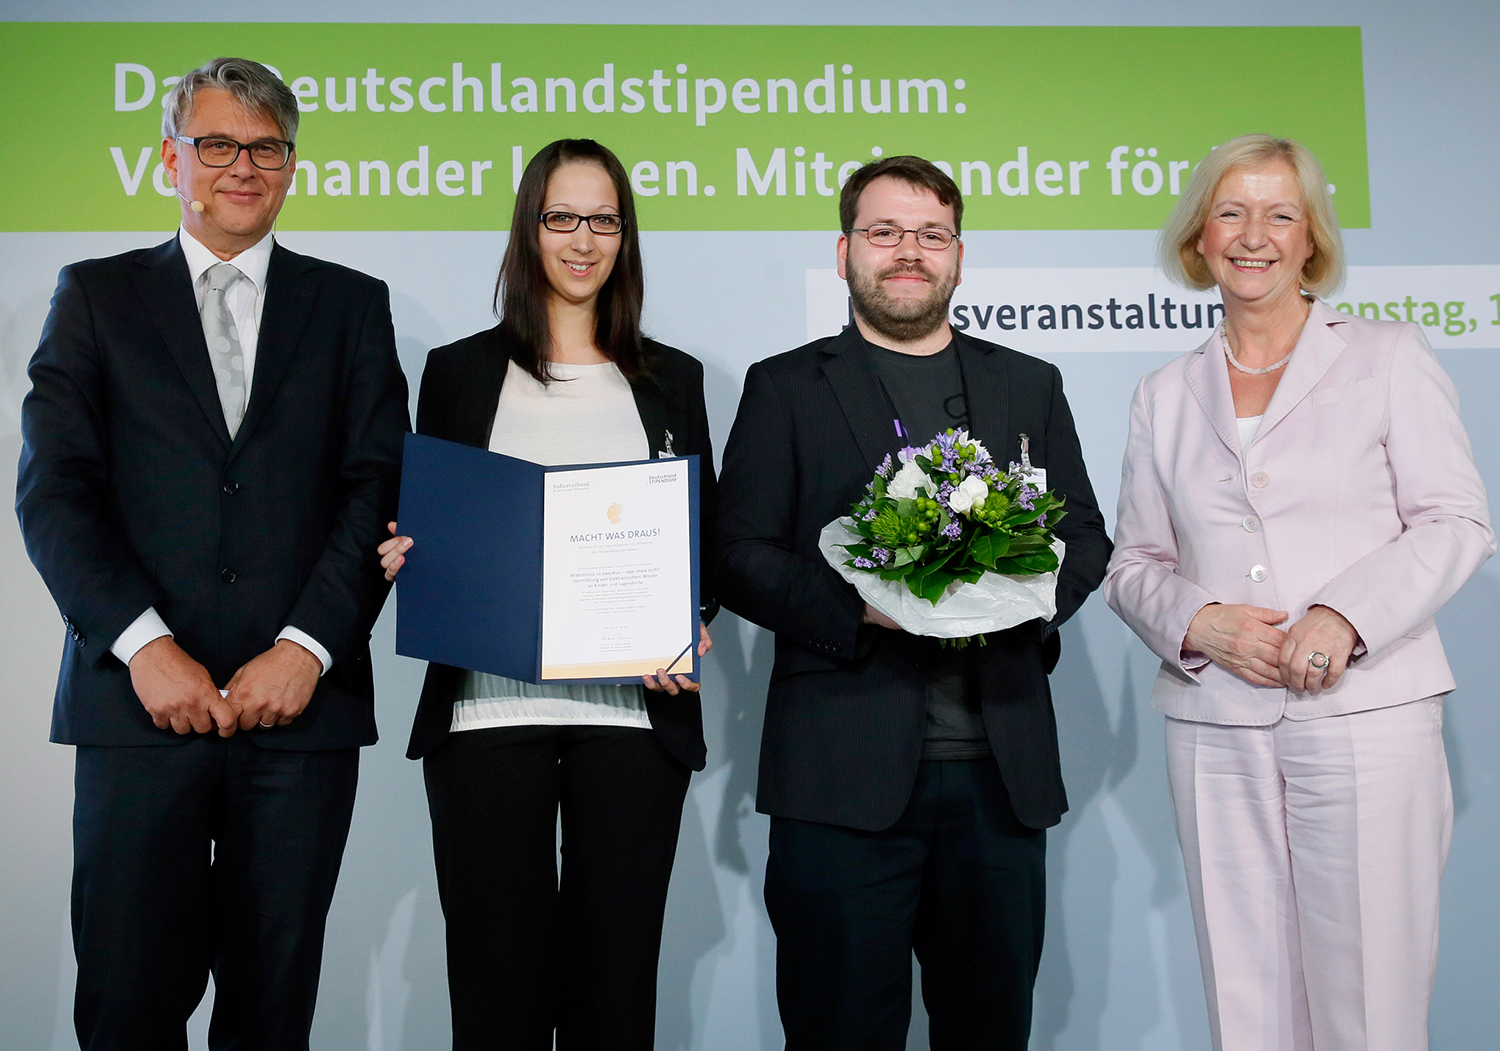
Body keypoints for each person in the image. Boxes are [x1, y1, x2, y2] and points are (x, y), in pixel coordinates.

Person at [14, 57, 409, 1049]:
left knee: (271, 1011)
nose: (245, 167)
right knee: (124, 1002)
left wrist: (307, 645)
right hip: (137, 710)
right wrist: (144, 646)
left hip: (299, 715)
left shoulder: (351, 304)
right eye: (220, 143)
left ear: (289, 167)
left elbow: (378, 487)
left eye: (268, 148)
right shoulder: (95, 297)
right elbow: (53, 492)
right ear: (169, 158)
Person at [1103, 134, 1494, 1051]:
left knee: (1371, 998)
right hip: (1217, 721)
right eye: (1231, 212)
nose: (1254, 235)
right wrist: (1199, 620)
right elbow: (1133, 565)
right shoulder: (1163, 393)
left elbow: (1457, 521)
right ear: (1199, 237)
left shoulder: (1390, 357)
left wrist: (1344, 614)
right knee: (1244, 1001)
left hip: (1365, 713)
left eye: (1281, 214)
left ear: (1312, 239)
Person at [715, 155, 1112, 1049]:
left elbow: (1085, 537)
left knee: (991, 1032)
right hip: (839, 781)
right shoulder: (786, 385)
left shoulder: (1028, 383)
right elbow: (736, 554)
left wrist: (1019, 601)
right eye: (886, 232)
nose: (909, 252)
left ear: (959, 258)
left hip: (1000, 782)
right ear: (846, 249)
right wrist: (860, 605)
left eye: (931, 235)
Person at [378, 138, 716, 1051]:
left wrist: (689, 621)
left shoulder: (674, 378)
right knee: (496, 994)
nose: (582, 239)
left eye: (603, 219)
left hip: (633, 724)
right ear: (529, 228)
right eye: (561, 216)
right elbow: (420, 520)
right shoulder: (455, 372)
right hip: (486, 719)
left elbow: (703, 550)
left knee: (616, 993)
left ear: (625, 235)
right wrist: (408, 553)